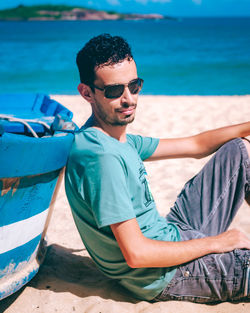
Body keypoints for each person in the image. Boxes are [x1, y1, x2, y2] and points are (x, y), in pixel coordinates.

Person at [65, 33, 250, 303]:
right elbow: (137, 254)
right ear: (87, 93)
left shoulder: (116, 138)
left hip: (172, 234)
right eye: (115, 91)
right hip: (166, 273)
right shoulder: (101, 157)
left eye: (134, 86)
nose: (129, 99)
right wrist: (219, 242)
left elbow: (196, 144)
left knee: (239, 150)